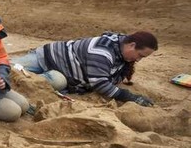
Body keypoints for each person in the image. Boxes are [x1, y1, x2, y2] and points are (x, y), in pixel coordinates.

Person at [11, 31, 158, 106]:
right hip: (46, 57)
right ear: (132, 45)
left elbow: (109, 79)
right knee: (9, 68)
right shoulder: (102, 51)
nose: (138, 60)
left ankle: (19, 84)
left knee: (56, 80)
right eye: (140, 55)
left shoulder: (121, 54)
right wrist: (129, 97)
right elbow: (100, 84)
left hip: (62, 75)